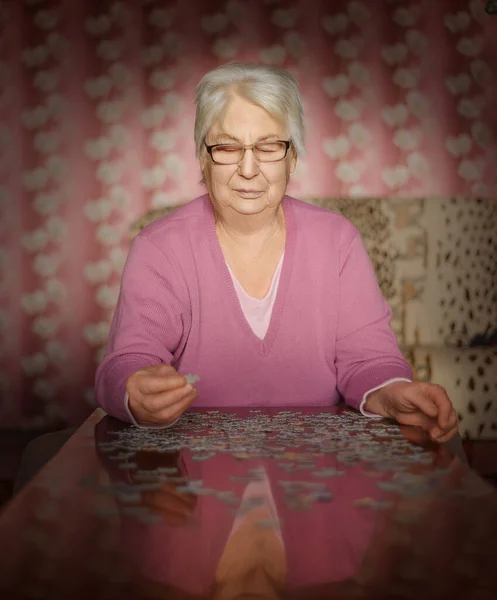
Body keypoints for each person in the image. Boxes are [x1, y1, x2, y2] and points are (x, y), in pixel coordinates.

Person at [95, 62, 458, 443]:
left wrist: (394, 394)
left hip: (317, 476)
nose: (248, 168)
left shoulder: (338, 240)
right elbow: (128, 360)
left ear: (293, 159)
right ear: (203, 158)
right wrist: (135, 390)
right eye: (227, 147)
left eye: (268, 147)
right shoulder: (160, 247)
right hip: (194, 473)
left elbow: (370, 361)